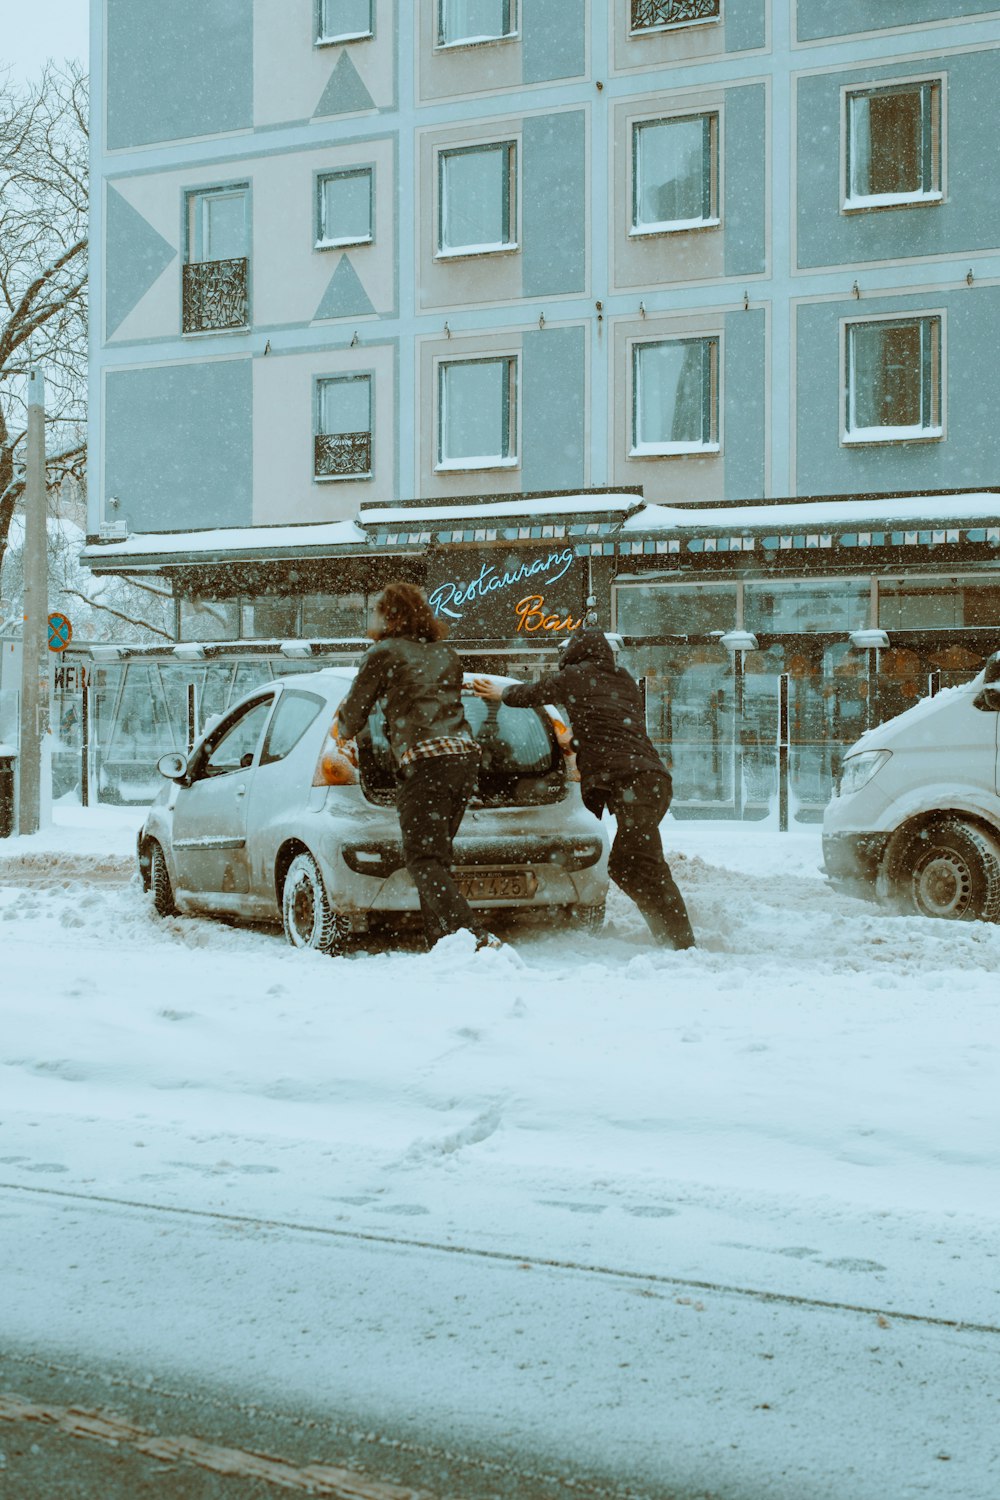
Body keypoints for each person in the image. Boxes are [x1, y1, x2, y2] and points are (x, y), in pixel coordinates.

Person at [473, 630, 695, 950]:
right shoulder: (623, 679)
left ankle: (682, 944)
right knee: (629, 865)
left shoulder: (578, 676)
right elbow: (606, 730)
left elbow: (537, 693)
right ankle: (670, 935)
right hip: (647, 781)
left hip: (634, 782)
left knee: (640, 864)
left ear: (574, 655)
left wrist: (501, 694)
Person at [336, 582, 499, 952]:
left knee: (422, 858)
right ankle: (442, 945)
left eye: (375, 610)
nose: (370, 617)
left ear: (390, 615)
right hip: (463, 760)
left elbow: (353, 715)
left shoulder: (385, 652)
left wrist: (343, 727)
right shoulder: (447, 653)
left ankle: (473, 937)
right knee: (437, 857)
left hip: (426, 761)